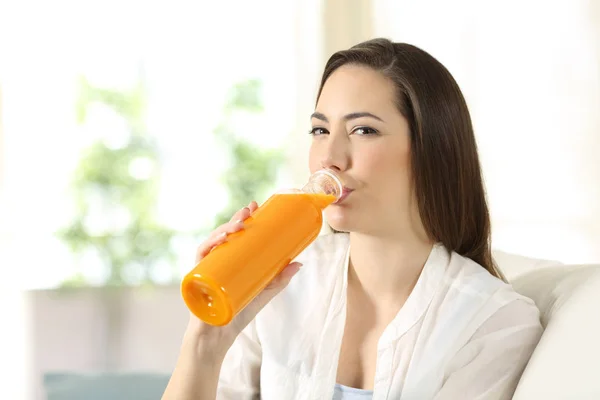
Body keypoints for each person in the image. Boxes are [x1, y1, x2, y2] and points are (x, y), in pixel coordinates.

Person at [162, 38, 543, 400]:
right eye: (320, 130)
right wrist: (207, 339)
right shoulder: (277, 289)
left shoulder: (495, 323)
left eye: (364, 130)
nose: (330, 157)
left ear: (433, 151)